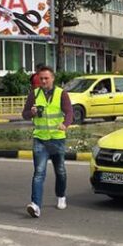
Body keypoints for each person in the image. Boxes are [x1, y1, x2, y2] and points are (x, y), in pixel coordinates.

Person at [22, 66, 73, 218]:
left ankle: (61, 195)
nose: (43, 81)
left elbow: (69, 112)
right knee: (39, 172)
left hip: (57, 139)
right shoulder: (34, 94)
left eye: (46, 78)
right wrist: (30, 113)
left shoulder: (61, 94)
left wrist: (65, 124)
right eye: (41, 78)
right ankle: (35, 205)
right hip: (40, 139)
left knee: (60, 171)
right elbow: (24, 114)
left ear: (52, 78)